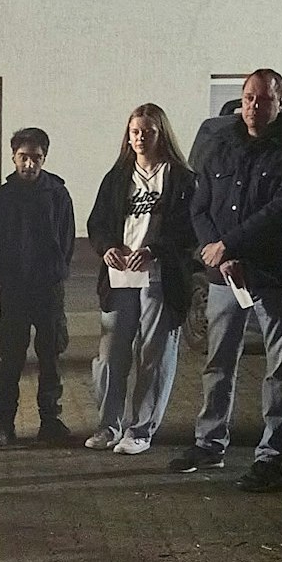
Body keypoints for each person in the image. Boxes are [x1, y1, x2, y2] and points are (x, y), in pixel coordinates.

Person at [170, 69, 282, 491]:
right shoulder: (220, 146)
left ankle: (270, 456)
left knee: (279, 371)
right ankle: (209, 442)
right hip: (225, 278)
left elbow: (281, 212)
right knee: (218, 363)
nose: (254, 106)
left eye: (264, 99)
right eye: (249, 98)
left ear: (280, 103)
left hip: (274, 276)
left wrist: (228, 246)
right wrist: (216, 249)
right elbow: (200, 208)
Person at [85, 104, 197, 456]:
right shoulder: (118, 177)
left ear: (161, 133)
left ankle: (141, 430)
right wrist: (106, 248)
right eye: (134, 131)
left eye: (147, 131)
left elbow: (189, 228)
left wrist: (154, 250)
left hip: (160, 279)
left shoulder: (180, 178)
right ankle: (108, 425)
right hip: (120, 278)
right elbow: (97, 223)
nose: (140, 138)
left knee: (153, 353)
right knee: (110, 354)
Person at [0, 128, 76, 447]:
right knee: (10, 356)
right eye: (23, 157)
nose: (29, 164)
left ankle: (50, 420)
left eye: (36, 158)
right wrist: (12, 268)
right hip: (14, 288)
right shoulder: (0, 198)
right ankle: (4, 421)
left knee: (50, 355)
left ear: (44, 158)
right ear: (13, 157)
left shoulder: (58, 194)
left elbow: (67, 239)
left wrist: (53, 272)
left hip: (48, 288)